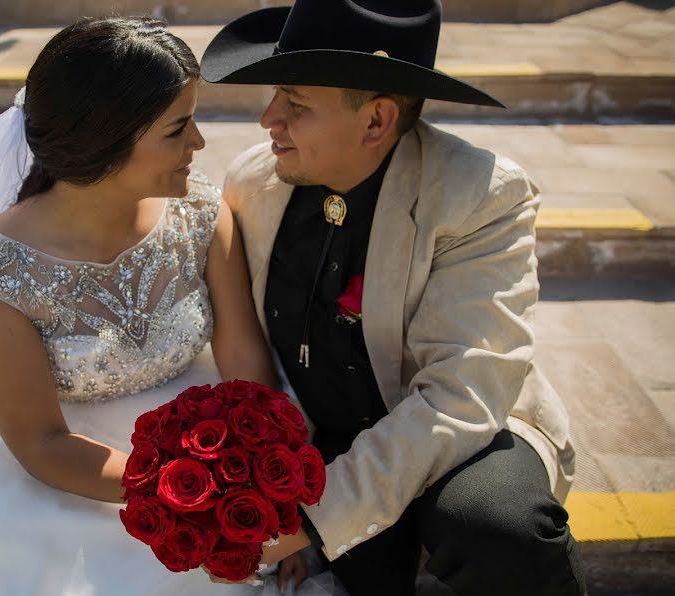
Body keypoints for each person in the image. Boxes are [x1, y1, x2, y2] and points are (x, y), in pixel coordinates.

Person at [0, 18, 341, 596]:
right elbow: (42, 444)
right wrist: (195, 500)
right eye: (178, 128)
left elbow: (243, 354)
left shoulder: (200, 214)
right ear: (107, 139)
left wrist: (268, 495)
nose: (198, 143)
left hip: (201, 430)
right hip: (76, 464)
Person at [200, 1, 586, 594]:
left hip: (457, 428)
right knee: (366, 568)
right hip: (326, 433)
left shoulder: (480, 194)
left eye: (296, 104)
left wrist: (305, 520)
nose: (268, 119)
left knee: (497, 528)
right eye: (276, 95)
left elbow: (459, 397)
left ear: (376, 122)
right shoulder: (253, 181)